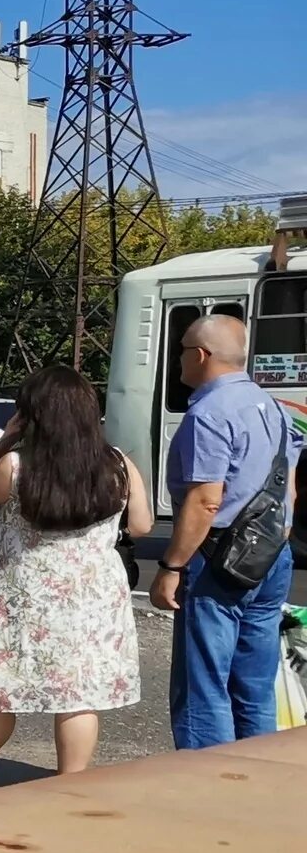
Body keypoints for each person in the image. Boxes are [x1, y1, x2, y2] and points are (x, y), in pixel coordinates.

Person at [0, 367, 153, 791]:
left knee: (3, 694)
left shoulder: (16, 466)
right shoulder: (118, 463)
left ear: (31, 415)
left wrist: (5, 437)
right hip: (95, 598)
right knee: (78, 698)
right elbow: (142, 525)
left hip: (29, 596)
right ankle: (67, 789)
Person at [154, 314, 296, 750]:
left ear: (200, 356)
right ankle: (256, 784)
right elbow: (288, 481)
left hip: (218, 558)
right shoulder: (273, 406)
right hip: (270, 554)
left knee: (203, 685)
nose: (178, 361)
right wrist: (281, 535)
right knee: (254, 684)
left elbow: (205, 500)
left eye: (181, 351)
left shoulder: (208, 413)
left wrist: (172, 565)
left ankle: (205, 787)